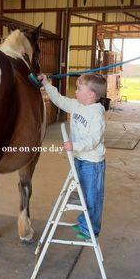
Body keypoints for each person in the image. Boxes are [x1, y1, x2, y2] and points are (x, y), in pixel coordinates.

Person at [38, 73, 107, 240]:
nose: (75, 91)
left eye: (79, 88)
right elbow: (59, 100)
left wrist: (74, 145)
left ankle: (91, 230)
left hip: (92, 163)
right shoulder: (76, 105)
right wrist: (46, 84)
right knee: (83, 193)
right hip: (79, 159)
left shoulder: (96, 114)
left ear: (91, 94)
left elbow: (93, 140)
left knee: (92, 196)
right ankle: (85, 223)